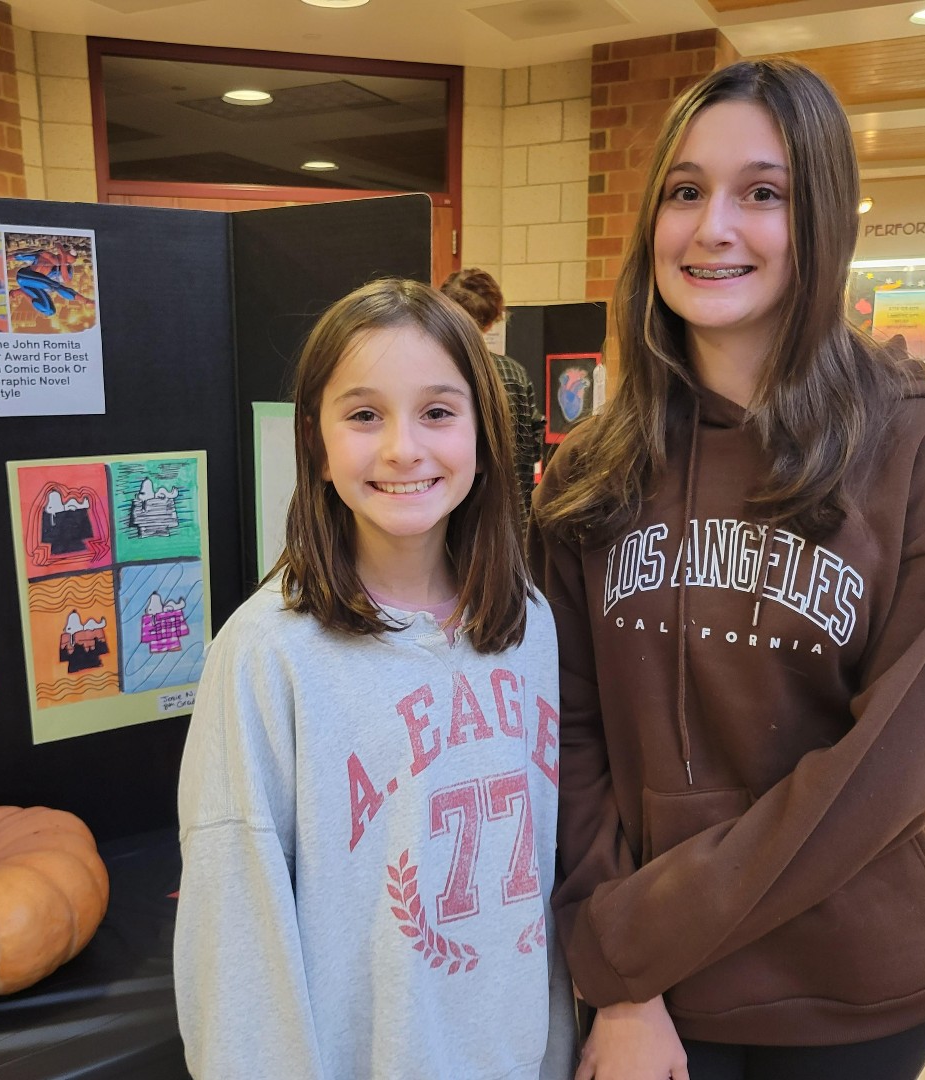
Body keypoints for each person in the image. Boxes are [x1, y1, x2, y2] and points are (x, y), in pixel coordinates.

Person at [529, 58, 925, 1080]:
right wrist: (621, 985)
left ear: (825, 221)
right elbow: (565, 737)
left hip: (854, 990)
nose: (713, 227)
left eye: (763, 193)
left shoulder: (916, 452)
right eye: (684, 191)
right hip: (651, 1004)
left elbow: (884, 773)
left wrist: (629, 950)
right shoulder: (590, 475)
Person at [175, 278, 574, 1079]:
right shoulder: (265, 655)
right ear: (317, 448)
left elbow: (539, 874)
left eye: (436, 411)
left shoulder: (529, 622)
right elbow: (236, 935)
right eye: (363, 415)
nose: (402, 448)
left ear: (485, 436)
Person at [442, 267, 544, 526]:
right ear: (490, 321)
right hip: (512, 518)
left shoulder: (437, 373)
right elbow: (534, 446)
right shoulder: (515, 373)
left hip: (454, 521)